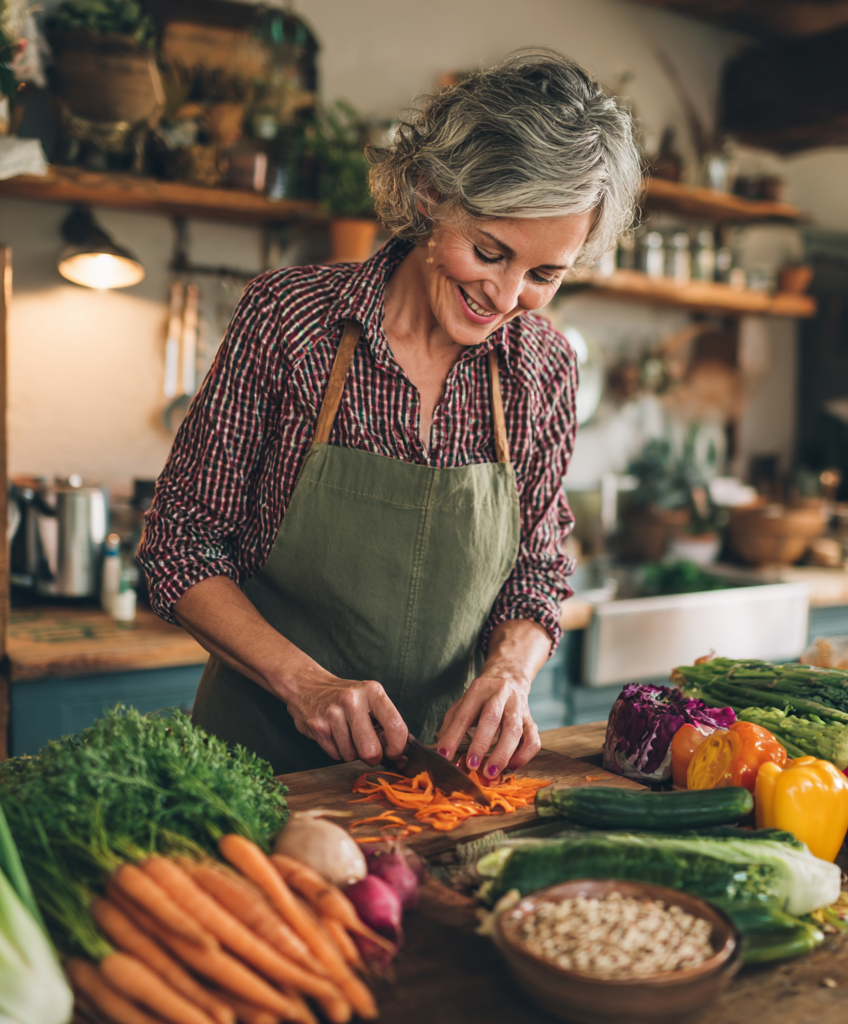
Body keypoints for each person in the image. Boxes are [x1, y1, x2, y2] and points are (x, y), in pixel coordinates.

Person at [138, 49, 643, 777]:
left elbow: (537, 570)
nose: (505, 298)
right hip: (261, 768)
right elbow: (180, 546)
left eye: (543, 275)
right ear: (430, 194)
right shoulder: (291, 320)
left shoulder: (545, 367)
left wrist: (510, 671)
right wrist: (304, 683)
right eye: (490, 250)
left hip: (443, 780)